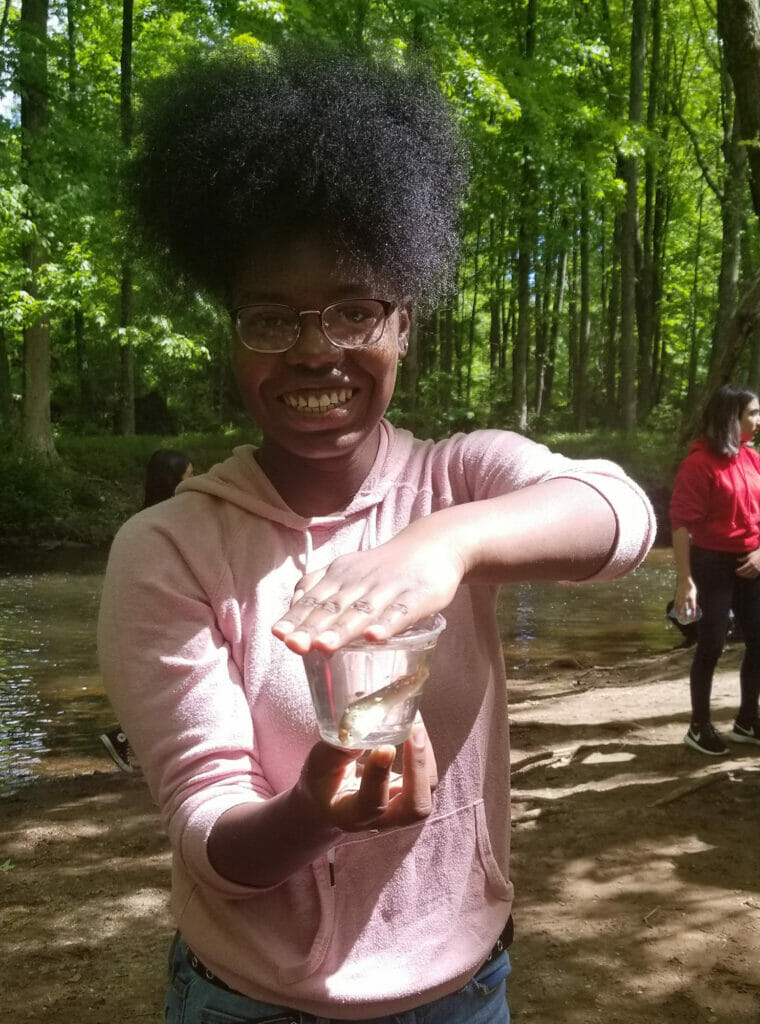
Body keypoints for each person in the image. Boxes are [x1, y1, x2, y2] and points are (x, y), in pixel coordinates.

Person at [97, 45, 655, 1024]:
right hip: (248, 1000)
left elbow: (620, 516)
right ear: (233, 338)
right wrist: (313, 813)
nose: (315, 347)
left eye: (353, 309)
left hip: (460, 988)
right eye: (271, 318)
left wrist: (444, 544)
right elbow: (206, 824)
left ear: (404, 325)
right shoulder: (169, 545)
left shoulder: (463, 475)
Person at [670, 383, 760, 756]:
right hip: (711, 564)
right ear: (731, 419)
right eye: (752, 413)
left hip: (752, 563)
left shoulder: (753, 459)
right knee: (712, 644)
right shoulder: (698, 463)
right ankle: (699, 726)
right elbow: (680, 524)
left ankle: (746, 721)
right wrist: (685, 581)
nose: (758, 420)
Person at [100, 448, 193, 772]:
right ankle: (122, 738)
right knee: (167, 692)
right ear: (174, 480)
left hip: (146, 621)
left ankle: (125, 739)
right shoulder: (168, 524)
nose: (196, 480)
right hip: (158, 622)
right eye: (191, 475)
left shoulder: (144, 521)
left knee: (161, 691)